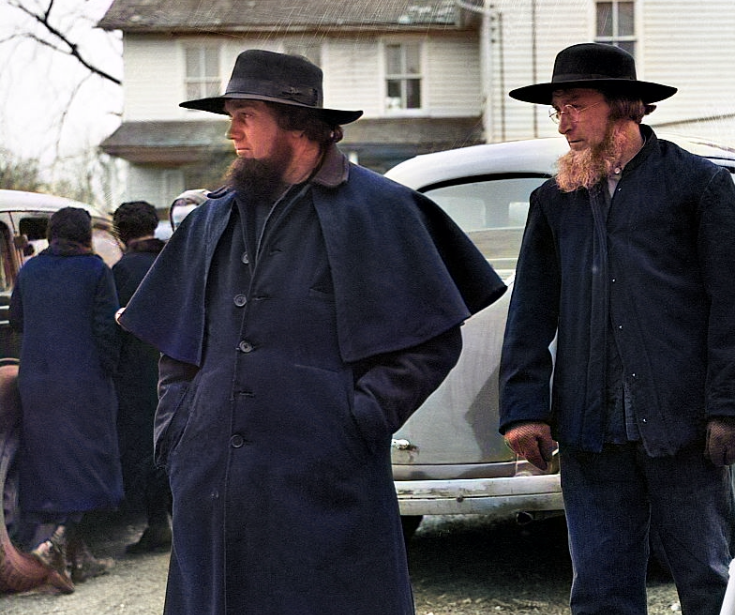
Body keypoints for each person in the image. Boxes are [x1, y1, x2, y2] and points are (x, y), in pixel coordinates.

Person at [117, 49, 505, 615]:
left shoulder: (382, 210)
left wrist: (358, 418)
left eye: (245, 115)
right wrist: (176, 432)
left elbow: (432, 338)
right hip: (211, 484)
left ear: (297, 123)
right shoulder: (208, 219)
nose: (232, 132)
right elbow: (177, 349)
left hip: (324, 484)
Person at [499, 43, 735, 615]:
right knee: (600, 589)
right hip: (588, 427)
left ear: (626, 107)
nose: (563, 123)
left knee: (706, 579)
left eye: (575, 105)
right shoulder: (554, 201)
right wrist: (524, 406)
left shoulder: (696, 186)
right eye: (557, 109)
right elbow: (530, 309)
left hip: (684, 424)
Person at [10, 206, 122, 592]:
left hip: (37, 381)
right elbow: (107, 329)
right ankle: (54, 545)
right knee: (87, 462)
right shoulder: (95, 271)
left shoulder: (29, 271)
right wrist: (110, 370)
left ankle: (78, 558)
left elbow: (18, 322)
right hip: (83, 380)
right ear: (86, 236)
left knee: (52, 465)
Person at [110, 201, 171, 554]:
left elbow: (113, 325)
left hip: (137, 372)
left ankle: (157, 524)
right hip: (181, 365)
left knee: (147, 448)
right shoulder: (173, 260)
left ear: (121, 233)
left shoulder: (121, 271)